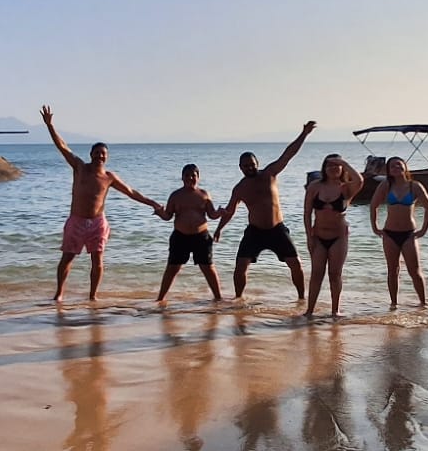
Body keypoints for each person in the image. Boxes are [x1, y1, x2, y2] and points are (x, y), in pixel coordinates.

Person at [41, 105, 162, 301]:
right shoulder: (80, 167)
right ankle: (59, 293)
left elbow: (131, 192)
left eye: (103, 153)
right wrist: (50, 125)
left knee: (97, 260)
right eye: (97, 153)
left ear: (107, 157)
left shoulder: (109, 177)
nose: (100, 156)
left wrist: (153, 203)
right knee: (67, 258)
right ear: (91, 154)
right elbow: (62, 147)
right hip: (77, 221)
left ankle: (93, 296)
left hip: (98, 223)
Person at [212, 121, 316, 299]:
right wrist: (219, 228)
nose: (249, 168)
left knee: (296, 264)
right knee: (240, 266)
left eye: (252, 164)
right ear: (240, 168)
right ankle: (238, 299)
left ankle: (301, 298)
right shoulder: (240, 188)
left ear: (257, 163)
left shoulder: (269, 174)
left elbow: (287, 155)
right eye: (245, 166)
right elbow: (230, 211)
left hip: (277, 229)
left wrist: (304, 134)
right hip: (255, 232)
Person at [303, 154, 363, 317]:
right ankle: (309, 310)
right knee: (316, 274)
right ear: (324, 168)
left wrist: (343, 162)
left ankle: (335, 310)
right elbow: (307, 212)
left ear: (343, 168)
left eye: (337, 165)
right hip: (319, 236)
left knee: (334, 274)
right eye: (329, 165)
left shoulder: (346, 188)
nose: (333, 168)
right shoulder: (315, 186)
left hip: (339, 237)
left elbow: (360, 180)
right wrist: (309, 236)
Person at [368, 156, 428, 307]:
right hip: (390, 234)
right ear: (389, 170)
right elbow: (373, 206)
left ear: (405, 166)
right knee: (392, 270)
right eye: (392, 166)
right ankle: (394, 304)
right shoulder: (386, 185)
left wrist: (423, 230)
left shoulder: (414, 186)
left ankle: (423, 304)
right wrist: (375, 227)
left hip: (409, 234)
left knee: (415, 271)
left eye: (398, 164)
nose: (396, 168)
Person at [155, 164, 224, 301]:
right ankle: (160, 298)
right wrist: (160, 213)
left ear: (198, 177)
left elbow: (211, 214)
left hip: (201, 236)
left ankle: (218, 298)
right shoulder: (175, 196)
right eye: (187, 175)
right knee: (172, 268)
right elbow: (168, 216)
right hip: (180, 236)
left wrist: (219, 213)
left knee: (208, 268)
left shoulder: (204, 195)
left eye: (193, 175)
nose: (190, 178)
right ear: (182, 177)